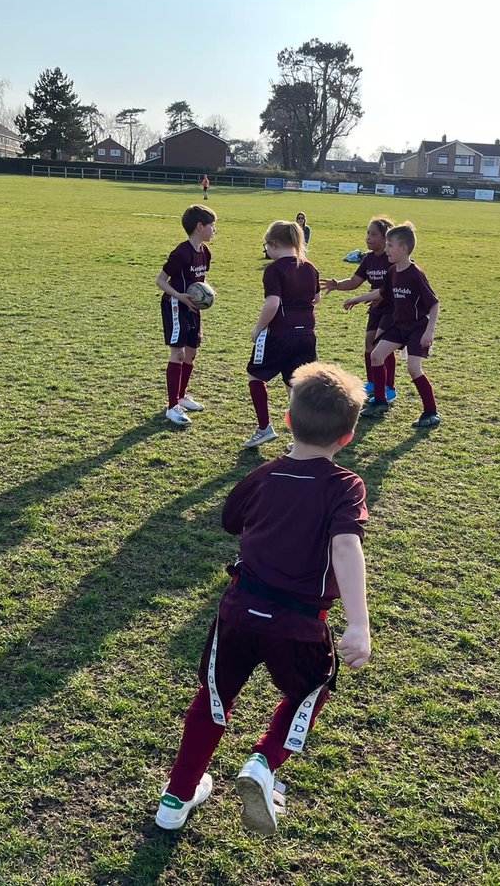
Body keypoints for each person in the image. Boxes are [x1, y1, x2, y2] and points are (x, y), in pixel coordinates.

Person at [155, 361, 372, 833]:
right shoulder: (345, 486)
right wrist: (359, 623)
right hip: (298, 623)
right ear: (347, 436)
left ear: (288, 420)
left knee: (214, 698)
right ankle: (264, 761)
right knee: (310, 690)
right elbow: (345, 545)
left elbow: (231, 521)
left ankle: (176, 797)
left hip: (238, 609)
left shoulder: (264, 476)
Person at [243, 221, 320, 448]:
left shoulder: (274, 270)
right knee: (295, 386)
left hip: (280, 334)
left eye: (266, 245)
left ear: (273, 244)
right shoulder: (310, 267)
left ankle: (265, 427)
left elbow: (272, 303)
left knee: (255, 376)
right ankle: (302, 440)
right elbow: (317, 299)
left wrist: (257, 328)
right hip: (306, 334)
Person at [357, 222, 441, 427]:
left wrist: (429, 332)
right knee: (376, 354)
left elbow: (434, 303)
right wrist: (356, 299)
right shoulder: (393, 271)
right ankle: (380, 401)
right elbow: (381, 293)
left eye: (390, 246)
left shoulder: (415, 274)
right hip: (399, 326)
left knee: (413, 368)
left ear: (403, 249)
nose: (386, 249)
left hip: (417, 328)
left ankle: (431, 412)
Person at [323, 216, 398, 403]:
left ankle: (389, 388)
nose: (368, 237)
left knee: (383, 347)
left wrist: (378, 295)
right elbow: (355, 281)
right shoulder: (368, 259)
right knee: (369, 344)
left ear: (385, 238)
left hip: (392, 309)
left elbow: (394, 287)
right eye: (367, 233)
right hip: (375, 307)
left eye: (373, 234)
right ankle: (373, 382)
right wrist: (337, 284)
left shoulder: (393, 259)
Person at [156, 205, 216, 425]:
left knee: (191, 353)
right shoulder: (181, 252)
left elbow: (201, 281)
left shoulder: (205, 252)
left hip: (193, 308)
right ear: (199, 226)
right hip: (175, 305)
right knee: (178, 354)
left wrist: (207, 293)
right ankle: (172, 407)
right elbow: (160, 280)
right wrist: (180, 296)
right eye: (212, 225)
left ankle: (181, 396)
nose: (214, 230)